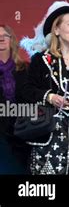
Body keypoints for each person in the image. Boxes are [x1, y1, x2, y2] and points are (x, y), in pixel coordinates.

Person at [19, 1, 69, 175]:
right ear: (56, 30)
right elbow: (26, 90)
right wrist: (50, 97)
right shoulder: (41, 60)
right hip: (49, 135)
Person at [0, 24, 29, 174]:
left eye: (5, 35)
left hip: (25, 136)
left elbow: (34, 104)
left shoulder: (26, 69)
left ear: (12, 40)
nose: (1, 39)